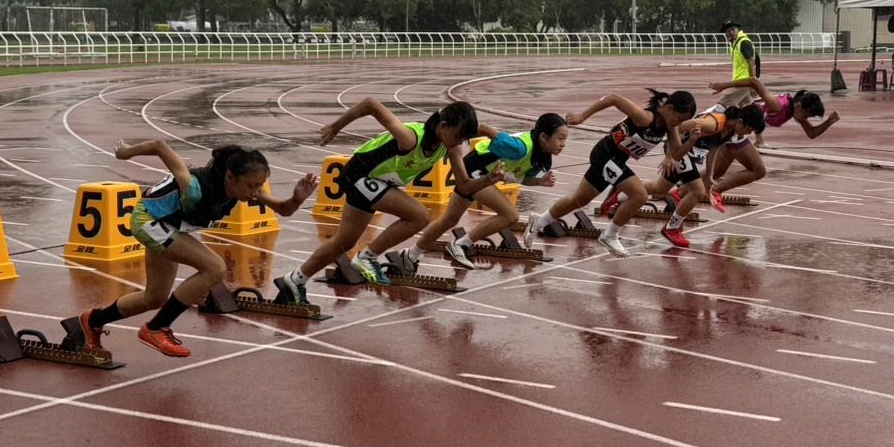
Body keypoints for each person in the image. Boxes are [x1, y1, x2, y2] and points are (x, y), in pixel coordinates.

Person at [77, 142, 317, 357]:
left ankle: (93, 320)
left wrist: (297, 199)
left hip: (169, 226)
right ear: (230, 177)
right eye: (252, 186)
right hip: (148, 221)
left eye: (260, 185)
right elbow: (161, 146)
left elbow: (284, 209)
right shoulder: (194, 187)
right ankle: (156, 329)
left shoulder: (245, 189)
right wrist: (125, 153)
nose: (256, 193)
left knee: (155, 297)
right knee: (214, 268)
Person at [275, 99, 495, 302]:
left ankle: (295, 279)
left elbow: (465, 186)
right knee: (419, 216)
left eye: (465, 138)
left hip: (374, 183)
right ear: (443, 126)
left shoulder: (451, 146)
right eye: (458, 136)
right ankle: (368, 257)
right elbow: (371, 104)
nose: (461, 142)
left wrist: (489, 178)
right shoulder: (410, 137)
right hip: (359, 174)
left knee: (344, 243)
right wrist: (336, 126)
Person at [525, 88, 696, 258]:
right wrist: (582, 116)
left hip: (615, 161)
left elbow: (677, 154)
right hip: (605, 154)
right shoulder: (645, 118)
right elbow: (613, 98)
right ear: (669, 109)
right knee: (640, 194)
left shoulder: (669, 127)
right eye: (679, 119)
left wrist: (692, 139)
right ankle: (610, 235)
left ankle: (538, 221)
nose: (678, 125)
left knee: (579, 199)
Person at [411, 113, 570, 269]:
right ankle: (460, 244)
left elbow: (518, 177)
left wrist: (538, 182)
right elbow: (485, 128)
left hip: (483, 175)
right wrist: (455, 140)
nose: (563, 144)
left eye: (565, 139)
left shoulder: (542, 159)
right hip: (474, 170)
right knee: (510, 215)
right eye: (560, 138)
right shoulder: (519, 148)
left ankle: (412, 254)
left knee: (449, 220)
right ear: (543, 137)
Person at [648, 102, 766, 248]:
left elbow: (714, 147)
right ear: (741, 121)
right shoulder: (713, 124)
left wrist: (710, 175)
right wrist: (669, 156)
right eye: (749, 130)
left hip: (686, 150)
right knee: (698, 191)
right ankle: (671, 228)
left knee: (659, 188)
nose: (748, 134)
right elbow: (676, 127)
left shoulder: (730, 130)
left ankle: (623, 191)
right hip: (678, 150)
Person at [706, 77, 840, 198]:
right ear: (799, 107)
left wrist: (829, 122)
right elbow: (754, 82)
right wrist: (724, 85)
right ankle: (714, 191)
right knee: (758, 170)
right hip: (736, 125)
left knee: (718, 171)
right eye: (806, 116)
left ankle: (688, 189)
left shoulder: (794, 110)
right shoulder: (779, 105)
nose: (805, 120)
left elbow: (812, 133)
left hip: (736, 130)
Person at [718, 21, 761, 107]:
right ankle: (758, 118)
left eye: (732, 29)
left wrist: (753, 82)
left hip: (744, 81)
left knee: (724, 103)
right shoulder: (734, 43)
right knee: (747, 107)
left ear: (738, 29)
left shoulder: (744, 42)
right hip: (738, 80)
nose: (731, 32)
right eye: (727, 31)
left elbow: (752, 62)